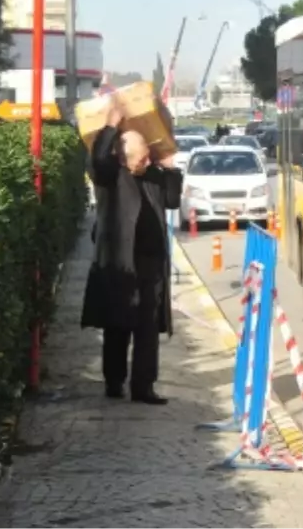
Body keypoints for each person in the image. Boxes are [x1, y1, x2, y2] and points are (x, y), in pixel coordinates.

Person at [81, 98, 182, 405]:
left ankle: (144, 387)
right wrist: (111, 126)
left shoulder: (151, 174)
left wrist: (170, 169)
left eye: (147, 158)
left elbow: (173, 201)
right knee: (117, 326)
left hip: (150, 265)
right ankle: (114, 382)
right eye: (141, 159)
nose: (145, 163)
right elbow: (98, 159)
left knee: (147, 329)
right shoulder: (109, 176)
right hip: (120, 264)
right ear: (124, 159)